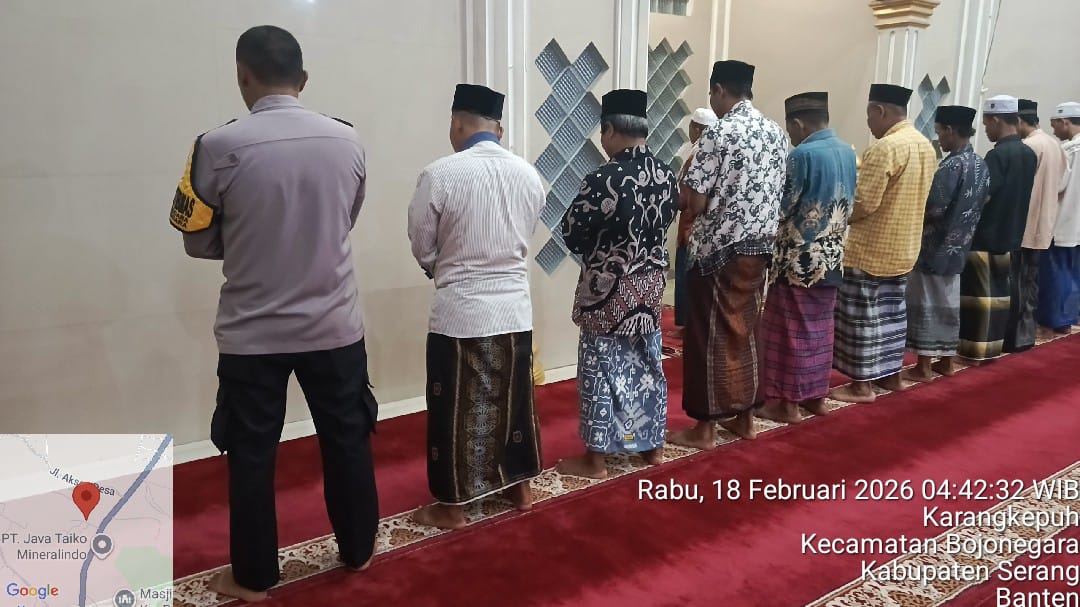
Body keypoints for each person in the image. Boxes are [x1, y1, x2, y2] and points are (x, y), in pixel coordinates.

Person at [172, 26, 377, 602]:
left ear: (243, 75)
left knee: (252, 453)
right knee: (347, 438)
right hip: (334, 325)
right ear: (303, 79)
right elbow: (346, 218)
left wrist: (246, 244)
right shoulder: (348, 141)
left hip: (252, 333)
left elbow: (195, 239)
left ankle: (255, 577)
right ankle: (359, 549)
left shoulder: (215, 146)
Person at [407, 84, 545, 530]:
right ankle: (520, 489)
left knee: (455, 409)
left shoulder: (440, 174)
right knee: (514, 401)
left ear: (456, 124)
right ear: (497, 129)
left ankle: (453, 507)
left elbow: (422, 244)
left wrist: (441, 267)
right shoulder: (528, 174)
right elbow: (526, 234)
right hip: (514, 309)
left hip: (460, 312)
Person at [556, 89, 678, 479]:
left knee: (600, 368)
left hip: (607, 290)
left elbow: (572, 233)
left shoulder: (603, 178)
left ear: (610, 130)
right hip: (650, 288)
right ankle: (650, 446)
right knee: (645, 365)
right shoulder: (667, 175)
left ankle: (596, 460)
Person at [666, 60, 788, 446]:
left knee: (709, 338)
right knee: (747, 333)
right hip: (760, 249)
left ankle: (705, 429)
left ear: (719, 90)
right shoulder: (776, 133)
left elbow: (697, 202)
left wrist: (684, 195)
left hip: (717, 252)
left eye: (712, 94)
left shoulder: (718, 134)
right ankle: (745, 420)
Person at [830, 84, 936, 403]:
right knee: (892, 316)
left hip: (872, 249)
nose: (869, 124)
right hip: (905, 247)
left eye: (869, 117)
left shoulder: (885, 147)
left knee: (862, 317)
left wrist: (836, 213)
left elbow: (864, 202)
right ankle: (892, 376)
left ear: (880, 111)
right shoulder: (925, 145)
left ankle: (861, 386)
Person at [755, 92, 856, 423]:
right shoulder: (847, 151)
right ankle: (816, 397)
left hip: (798, 261)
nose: (791, 136)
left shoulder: (802, 155)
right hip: (832, 258)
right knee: (820, 331)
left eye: (790, 130)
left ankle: (788, 405)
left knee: (791, 333)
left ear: (798, 124)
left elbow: (784, 207)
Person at [904, 106, 990, 381]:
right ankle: (947, 361)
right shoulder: (981, 163)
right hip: (960, 246)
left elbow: (934, 208)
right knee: (949, 304)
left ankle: (924, 366)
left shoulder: (952, 165)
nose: (939, 137)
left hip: (935, 247)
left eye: (940, 131)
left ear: (951, 130)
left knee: (927, 304)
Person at [958, 95, 1037, 361]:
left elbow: (984, 196)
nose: (986, 130)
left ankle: (977, 350)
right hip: (1013, 232)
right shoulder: (1028, 153)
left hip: (987, 234)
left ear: (996, 120)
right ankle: (998, 344)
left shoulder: (998, 155)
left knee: (981, 298)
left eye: (986, 124)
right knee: (1001, 296)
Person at [1017, 100, 1068, 342]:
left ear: (1019, 121)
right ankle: (1031, 328)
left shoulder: (1029, 146)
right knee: (1033, 279)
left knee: (1021, 280)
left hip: (1026, 222)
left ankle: (1020, 331)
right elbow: (1062, 184)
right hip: (1046, 221)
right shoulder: (1055, 144)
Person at [674, 108, 719, 331]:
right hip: (707, 230)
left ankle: (687, 325)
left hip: (691, 228)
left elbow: (685, 199)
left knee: (686, 277)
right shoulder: (712, 151)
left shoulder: (697, 155)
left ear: (697, 128)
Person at [1039, 102, 1080, 334]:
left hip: (1064, 221)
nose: (1053, 131)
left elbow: (1058, 185)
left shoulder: (1069, 150)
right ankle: (1074, 315)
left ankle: (1059, 319)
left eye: (1054, 125)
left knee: (1058, 272)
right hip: (1077, 225)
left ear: (1065, 122)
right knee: (1075, 272)